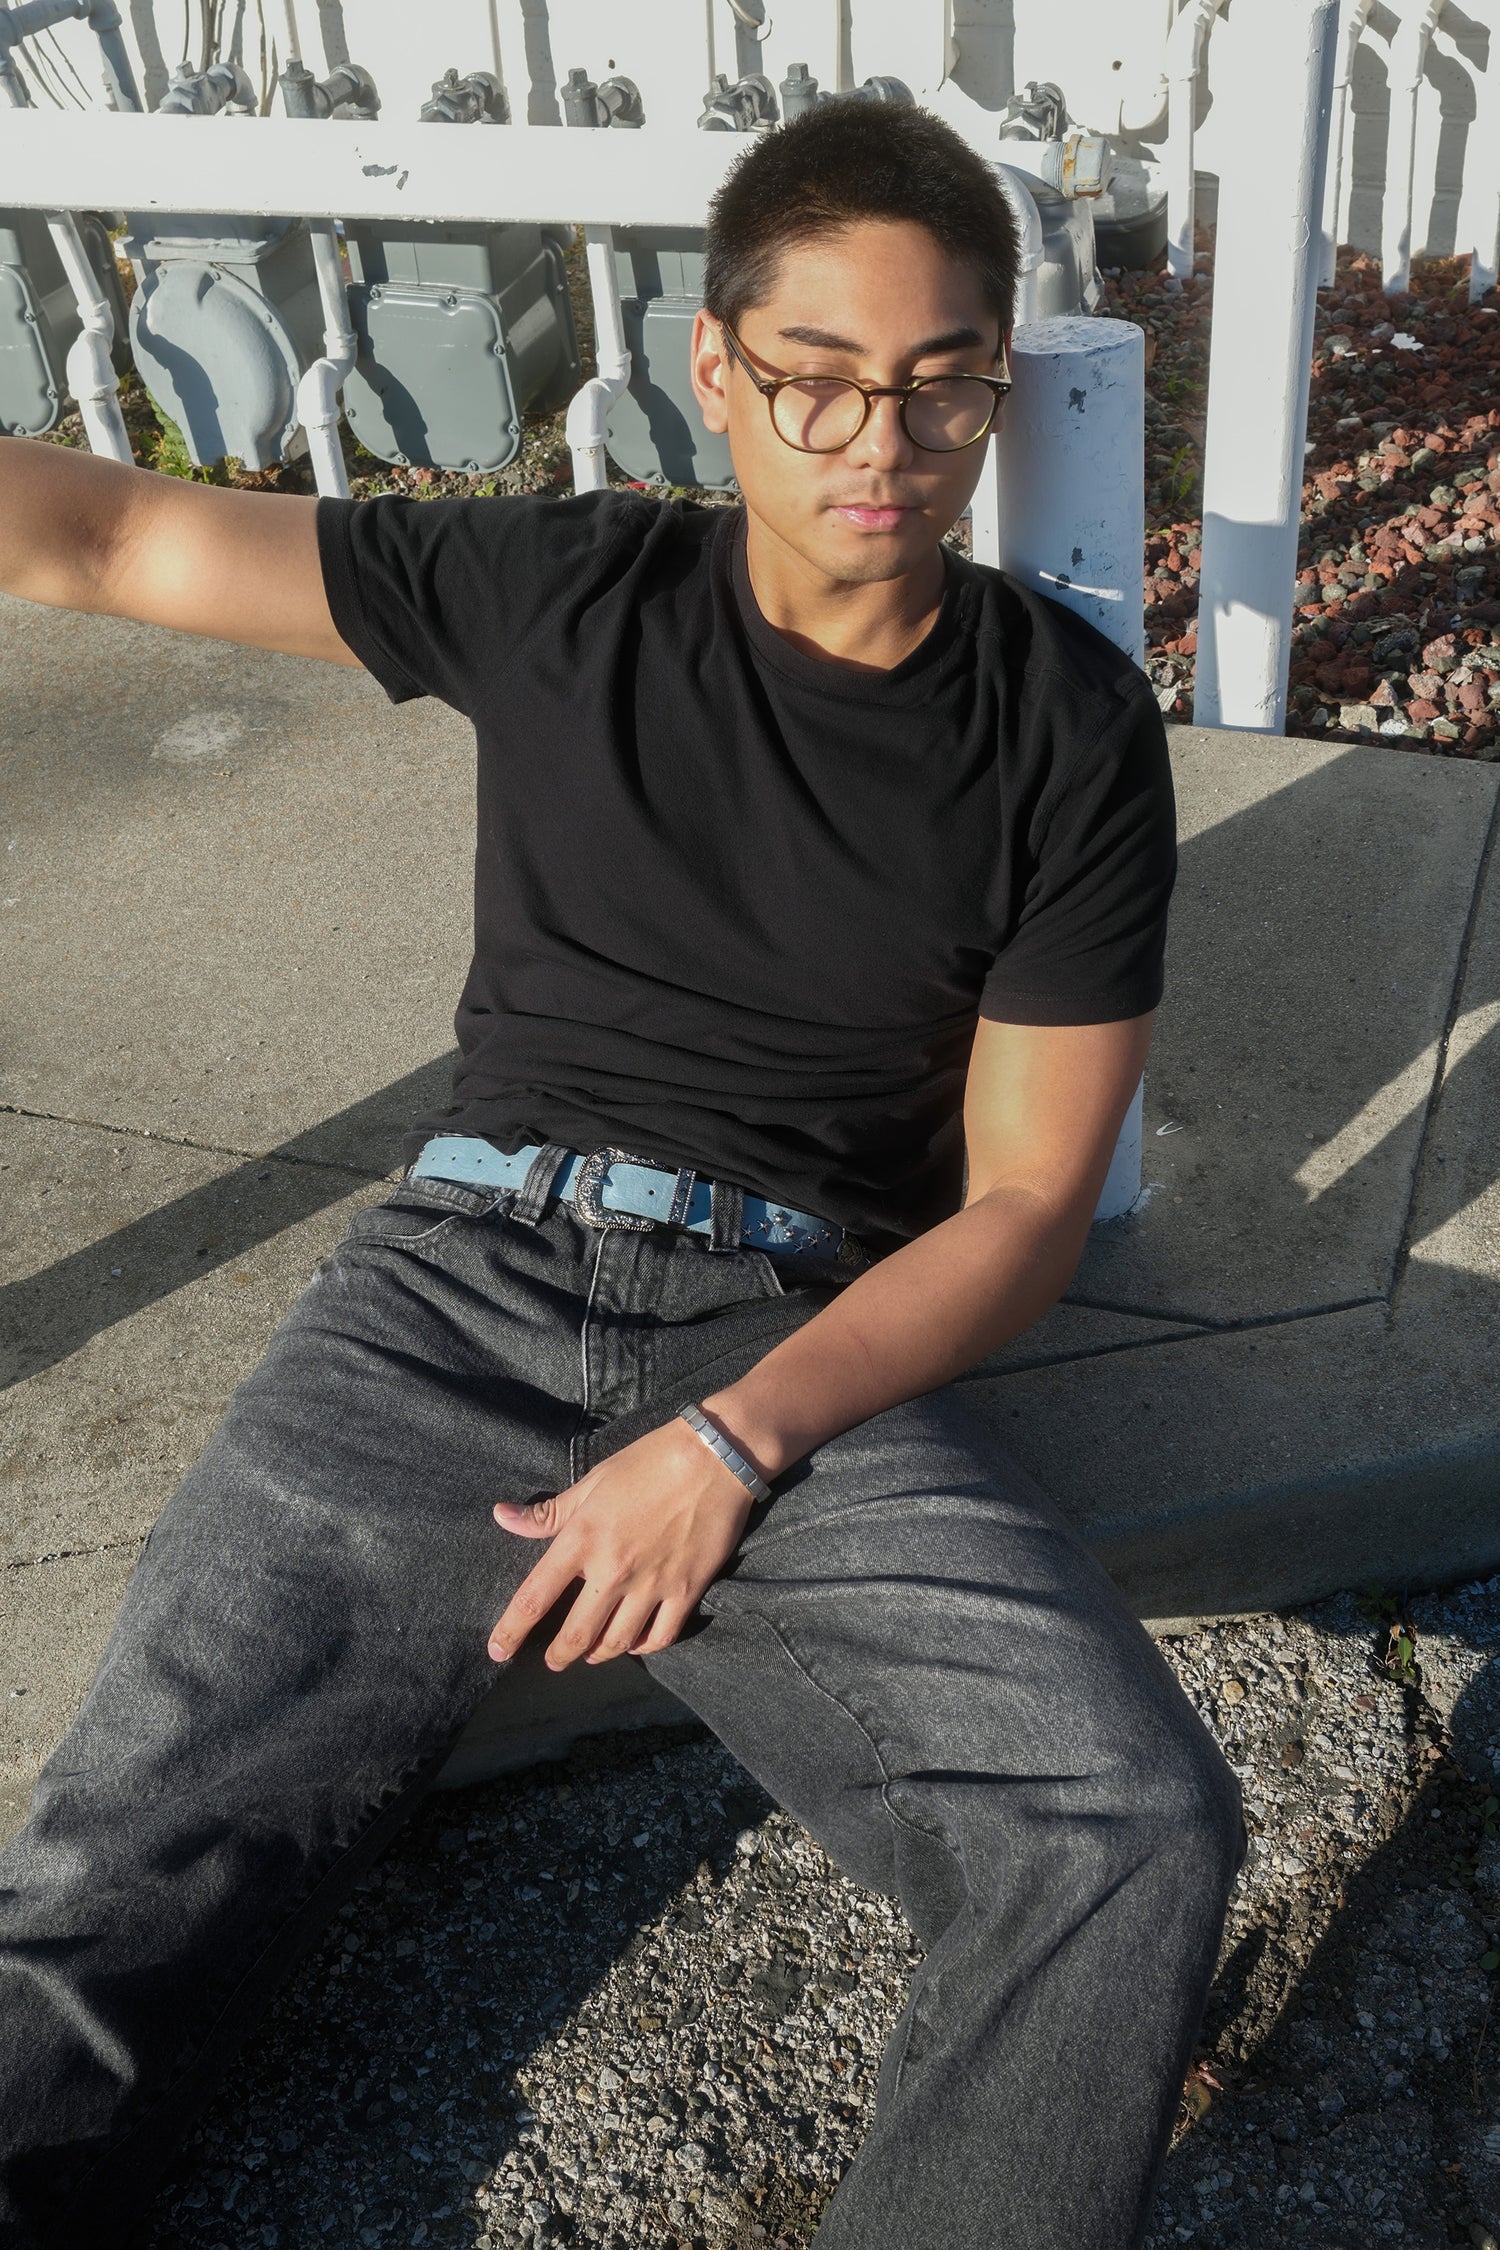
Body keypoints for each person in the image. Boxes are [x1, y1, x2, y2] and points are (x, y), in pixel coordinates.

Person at [0, 100, 1242, 2250]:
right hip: (444, 1289)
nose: (882, 442)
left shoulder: (1059, 721)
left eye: (942, 384)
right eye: (819, 380)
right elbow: (107, 537)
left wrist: (736, 1441)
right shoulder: (569, 586)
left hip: (787, 1335)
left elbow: (1027, 1205)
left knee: (1120, 1818)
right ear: (716, 371)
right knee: (117, 1875)